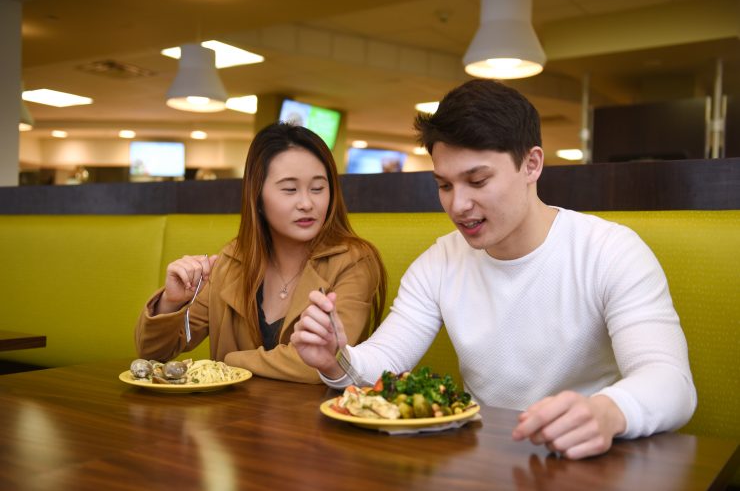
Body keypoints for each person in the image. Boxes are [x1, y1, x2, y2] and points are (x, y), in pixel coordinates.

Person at [291, 79, 696, 458]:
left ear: (531, 165)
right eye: (445, 185)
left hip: (585, 460)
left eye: (478, 181)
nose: (457, 205)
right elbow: (380, 365)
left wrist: (608, 411)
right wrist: (335, 359)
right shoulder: (440, 261)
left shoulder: (609, 251)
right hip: (482, 460)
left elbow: (670, 383)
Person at [135, 123, 386, 383]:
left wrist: (229, 361)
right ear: (257, 197)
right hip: (235, 419)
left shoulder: (353, 261)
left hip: (316, 418)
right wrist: (170, 302)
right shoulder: (233, 261)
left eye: (318, 188)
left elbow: (322, 363)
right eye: (289, 189)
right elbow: (154, 353)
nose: (306, 203)